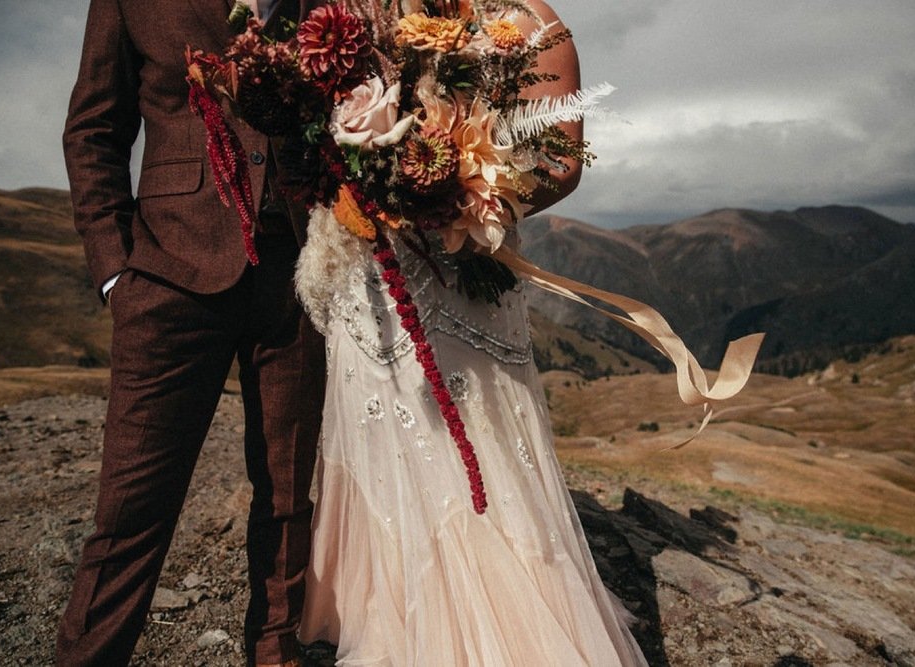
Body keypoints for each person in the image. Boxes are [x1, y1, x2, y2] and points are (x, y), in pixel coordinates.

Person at [295, 1, 649, 664]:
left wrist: (457, 184)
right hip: (367, 271)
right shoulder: (369, 10)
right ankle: (383, 606)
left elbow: (562, 163)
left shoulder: (533, 22)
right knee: (379, 425)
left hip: (465, 272)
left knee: (469, 446)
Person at [56, 1, 325, 665]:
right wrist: (116, 270)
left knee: (289, 500)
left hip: (299, 273)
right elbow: (93, 129)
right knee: (130, 513)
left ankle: (276, 653)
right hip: (169, 272)